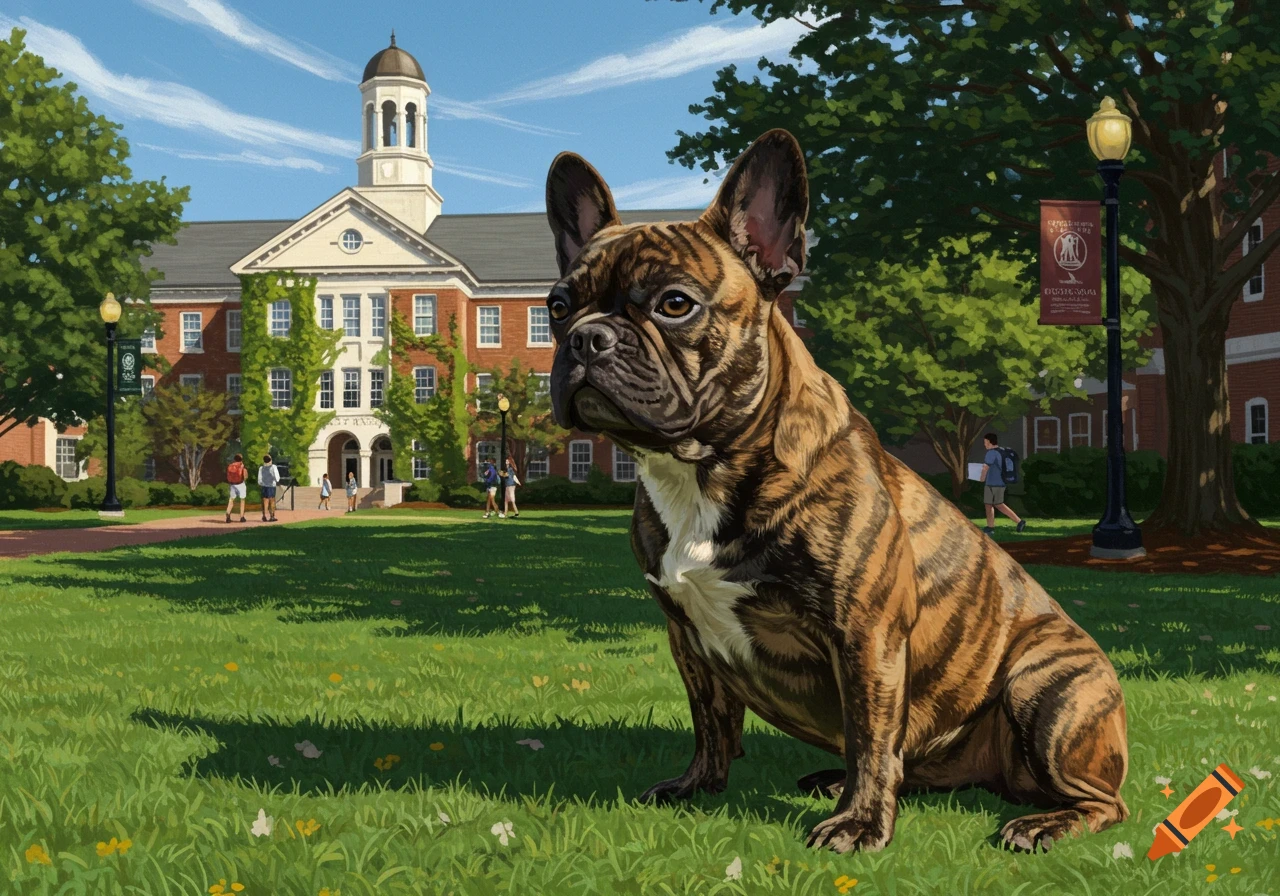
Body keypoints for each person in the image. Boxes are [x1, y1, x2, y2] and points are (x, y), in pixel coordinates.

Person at [980, 432, 1025, 537]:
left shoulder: (991, 453)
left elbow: (985, 468)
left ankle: (1019, 521)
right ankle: (990, 527)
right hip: (1000, 482)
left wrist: (981, 478)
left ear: (989, 442)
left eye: (985, 442)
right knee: (990, 504)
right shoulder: (1001, 451)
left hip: (993, 483)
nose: (984, 444)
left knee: (997, 504)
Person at [225, 453, 247, 523]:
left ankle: (228, 514)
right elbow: (245, 476)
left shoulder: (231, 466)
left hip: (232, 484)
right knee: (242, 500)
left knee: (231, 500)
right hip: (240, 484)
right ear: (241, 459)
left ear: (234, 459)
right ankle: (242, 517)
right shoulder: (241, 466)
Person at [258, 454, 280, 522]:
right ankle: (272, 516)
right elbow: (277, 478)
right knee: (272, 501)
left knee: (264, 501)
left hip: (264, 486)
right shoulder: (273, 467)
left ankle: (264, 516)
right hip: (271, 486)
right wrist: (276, 481)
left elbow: (259, 479)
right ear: (270, 460)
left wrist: (262, 483)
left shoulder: (261, 468)